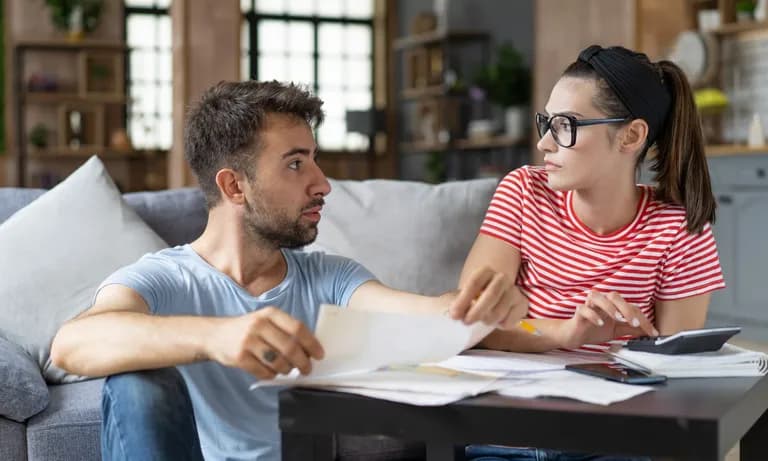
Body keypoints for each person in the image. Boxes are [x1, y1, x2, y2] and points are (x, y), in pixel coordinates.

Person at [50, 80, 524, 461]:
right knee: (136, 385)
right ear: (235, 186)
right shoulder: (165, 278)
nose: (322, 184)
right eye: (296, 164)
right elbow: (73, 345)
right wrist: (219, 336)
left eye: (314, 160)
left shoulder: (329, 277)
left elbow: (421, 313)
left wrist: (477, 306)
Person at [461, 45, 725, 460]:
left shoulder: (679, 226)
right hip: (510, 433)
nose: (545, 143)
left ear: (631, 136)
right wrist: (566, 332)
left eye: (566, 125)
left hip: (618, 436)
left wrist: (644, 345)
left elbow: (678, 373)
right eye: (546, 122)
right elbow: (471, 323)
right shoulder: (523, 193)